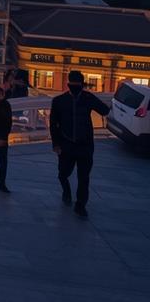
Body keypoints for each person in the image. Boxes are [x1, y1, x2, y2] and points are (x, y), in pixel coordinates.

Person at [49, 70, 109, 218]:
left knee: (84, 177)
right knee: (63, 173)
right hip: (66, 144)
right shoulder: (58, 101)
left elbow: (105, 110)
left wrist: (91, 97)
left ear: (82, 85)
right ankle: (66, 191)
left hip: (85, 145)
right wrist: (56, 144)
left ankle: (80, 205)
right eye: (72, 85)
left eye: (78, 86)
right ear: (67, 84)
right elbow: (53, 124)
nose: (74, 88)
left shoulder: (88, 98)